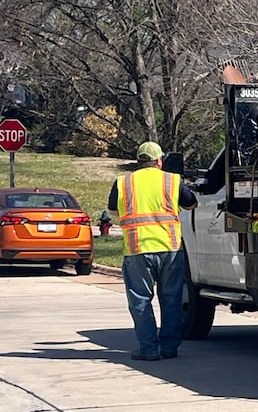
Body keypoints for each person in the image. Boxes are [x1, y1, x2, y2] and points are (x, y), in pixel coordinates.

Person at [108, 141, 197, 361]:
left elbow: (112, 209)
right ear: (159, 161)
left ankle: (148, 349)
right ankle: (169, 347)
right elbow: (191, 204)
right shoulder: (171, 180)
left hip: (137, 249)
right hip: (169, 248)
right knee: (171, 299)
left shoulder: (123, 182)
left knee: (140, 301)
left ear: (138, 162)